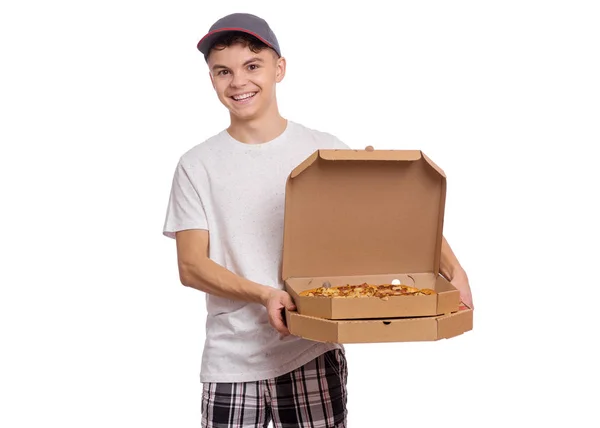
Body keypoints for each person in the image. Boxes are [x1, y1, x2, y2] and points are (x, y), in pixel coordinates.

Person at [162, 12, 473, 428]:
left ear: (279, 68)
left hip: (312, 350)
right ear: (212, 79)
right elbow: (191, 266)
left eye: (252, 66)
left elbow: (396, 218)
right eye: (223, 71)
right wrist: (265, 295)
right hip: (231, 362)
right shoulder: (196, 165)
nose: (238, 82)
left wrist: (455, 270)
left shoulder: (323, 151)